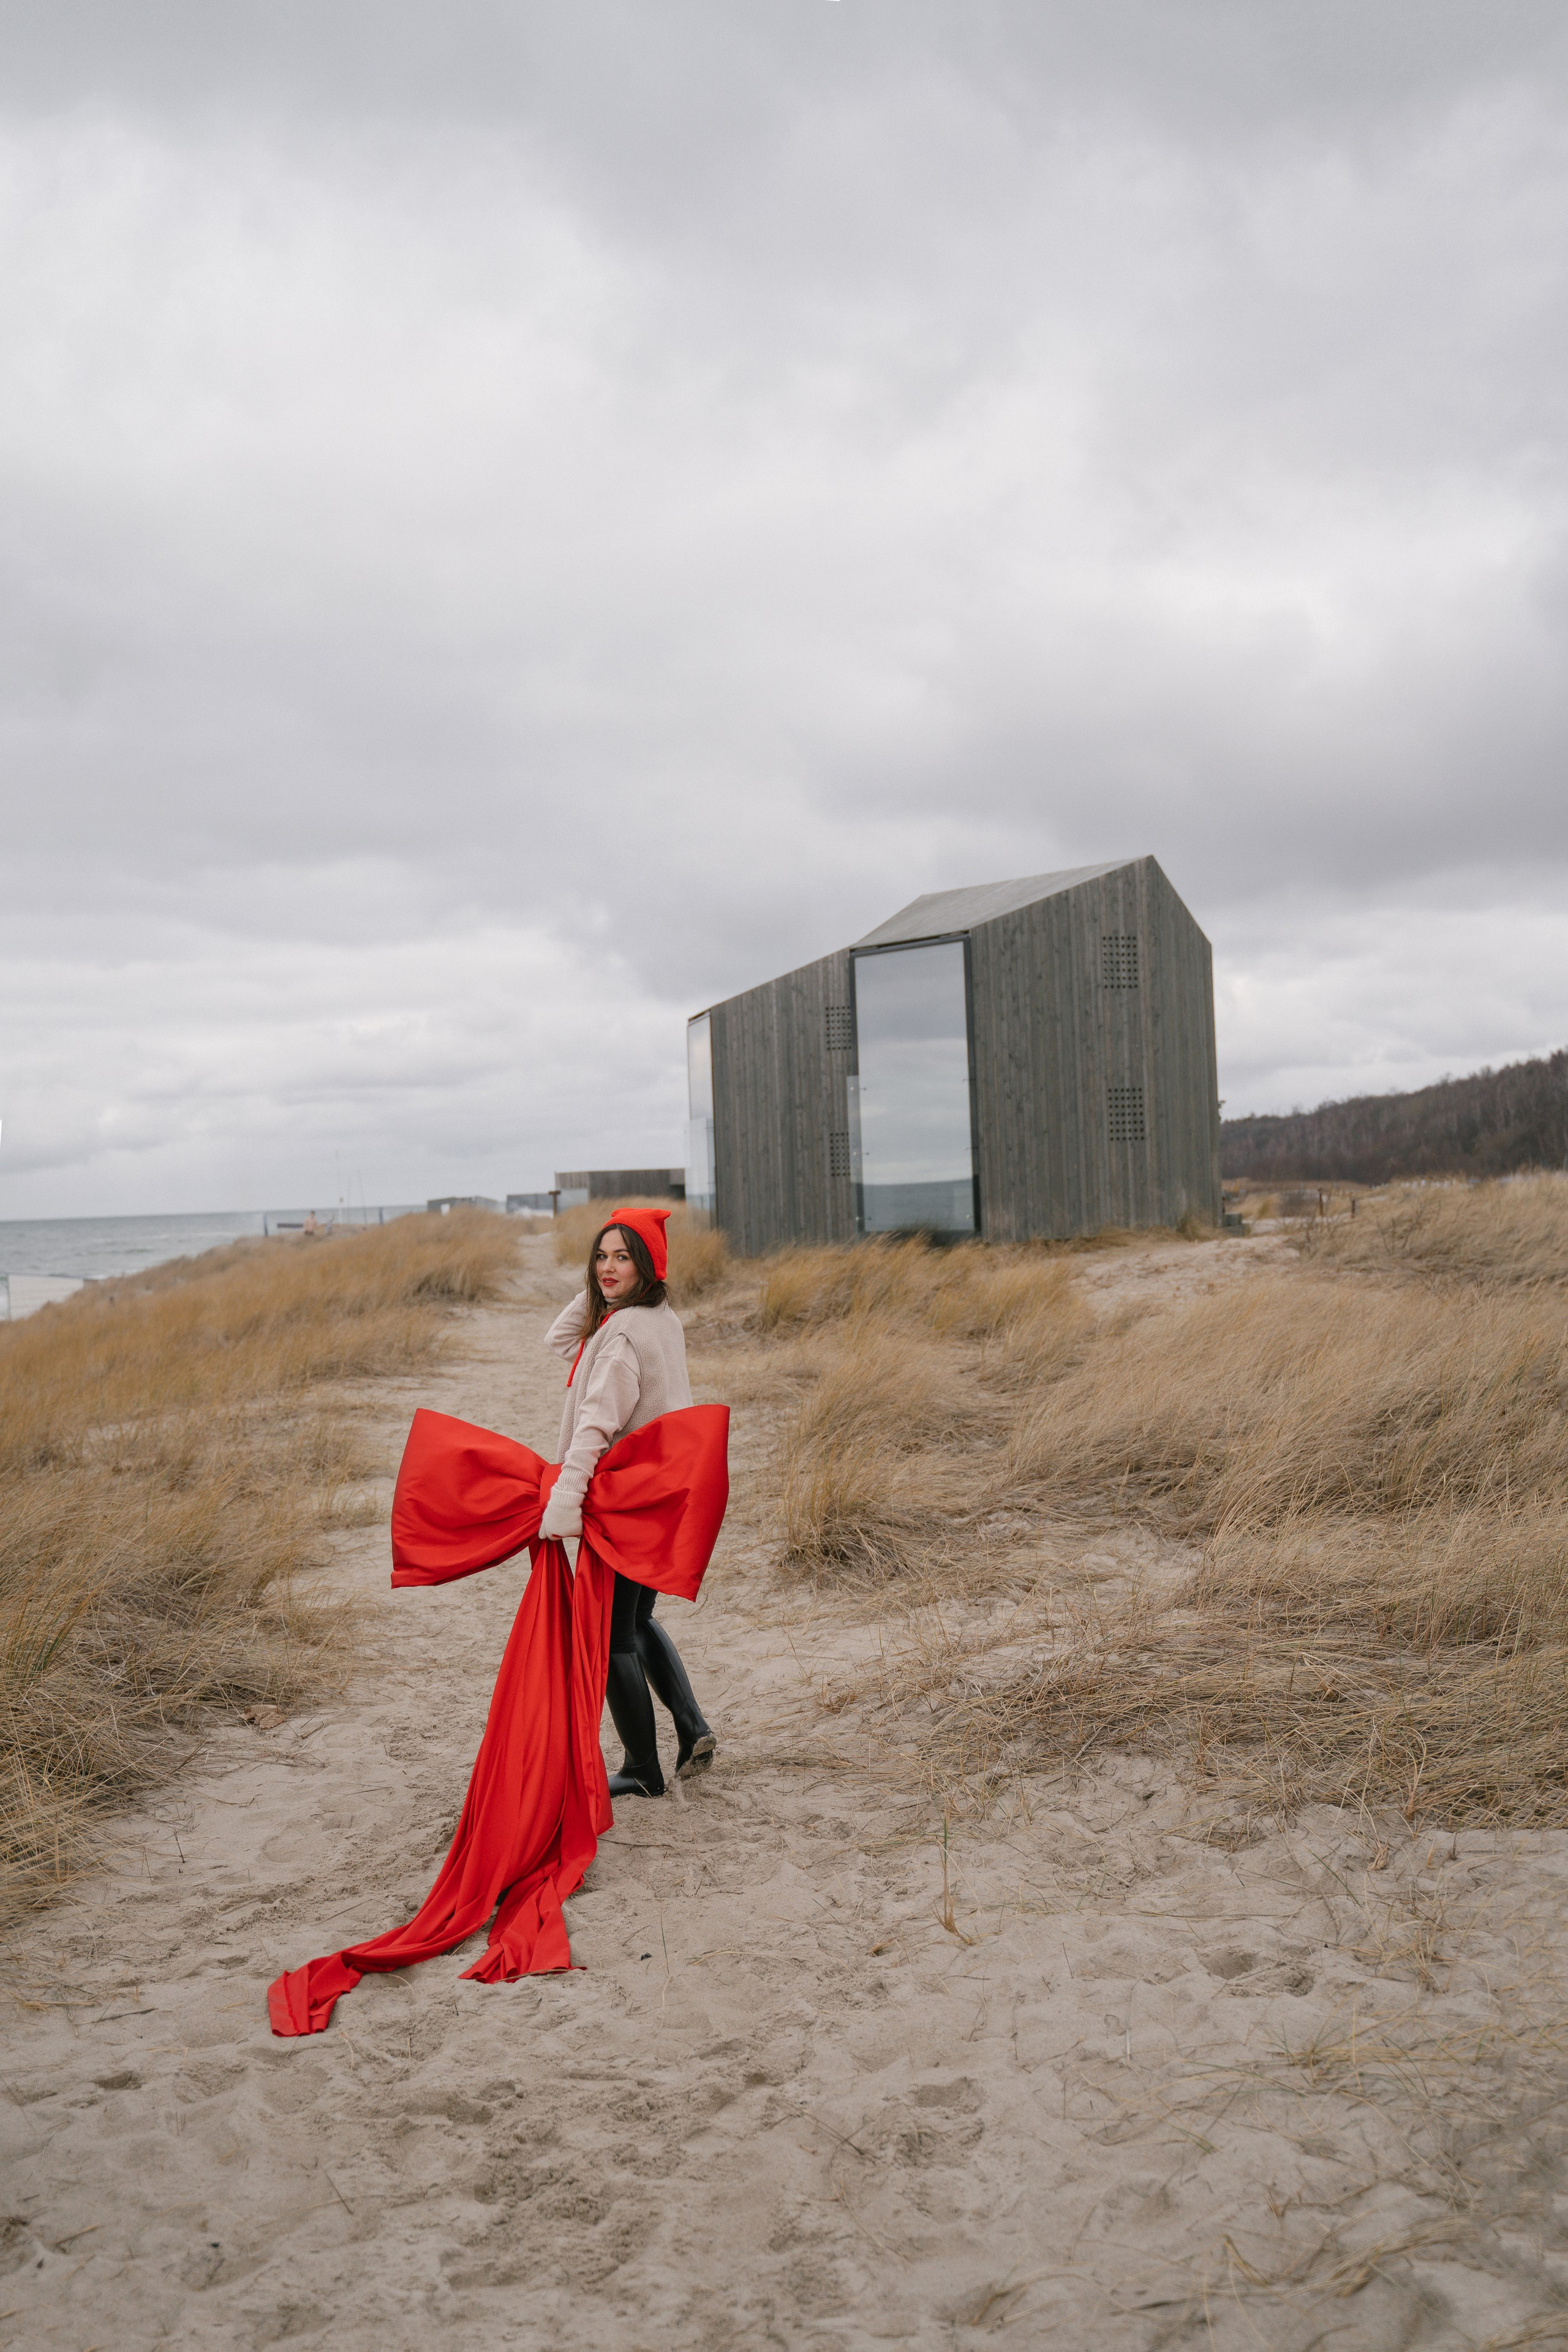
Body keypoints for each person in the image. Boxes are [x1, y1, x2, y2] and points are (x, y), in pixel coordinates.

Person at [540, 1207, 716, 1798]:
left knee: (612, 1636)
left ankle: (642, 1769)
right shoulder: (660, 1318)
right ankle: (693, 1728)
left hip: (623, 1504)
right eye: (601, 1256)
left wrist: (567, 1496)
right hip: (658, 1496)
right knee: (637, 1620)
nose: (607, 1267)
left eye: (623, 1257)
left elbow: (596, 1424)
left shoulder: (620, 1337)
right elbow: (559, 1339)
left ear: (650, 1265)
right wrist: (604, 1290)